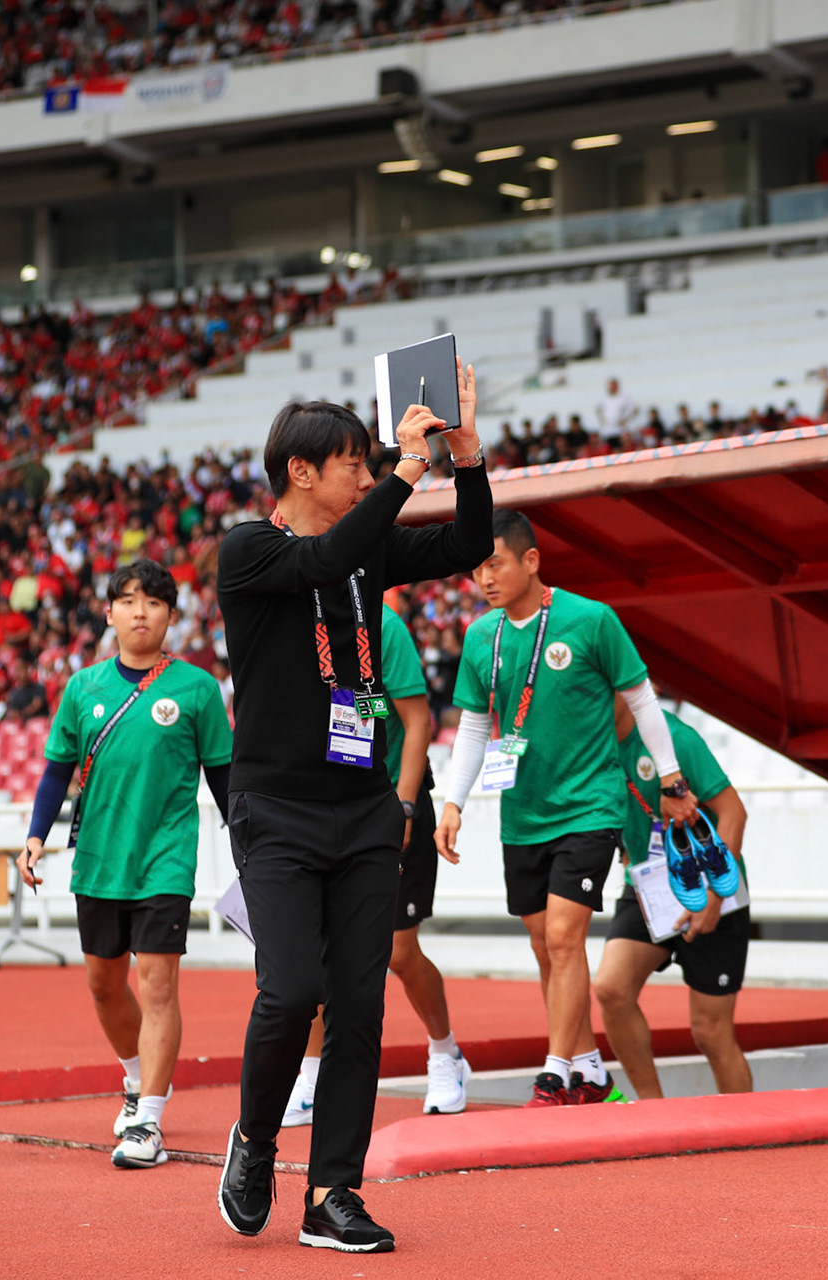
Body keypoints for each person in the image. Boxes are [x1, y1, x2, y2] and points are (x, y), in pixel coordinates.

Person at [215, 373, 491, 1256]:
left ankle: (333, 1192)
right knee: (292, 990)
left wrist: (465, 458)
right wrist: (408, 467)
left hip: (366, 807)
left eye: (374, 469)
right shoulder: (248, 549)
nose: (368, 481)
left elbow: (469, 543)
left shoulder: (368, 549)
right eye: (353, 468)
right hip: (277, 810)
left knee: (361, 1007)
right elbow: (323, 563)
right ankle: (257, 1140)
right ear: (300, 471)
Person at [436, 510, 695, 1107]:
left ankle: (555, 1074)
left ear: (531, 561)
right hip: (522, 812)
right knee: (545, 945)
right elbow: (473, 726)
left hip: (589, 805)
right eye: (476, 568)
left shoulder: (591, 620)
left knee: (561, 936)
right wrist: (452, 803)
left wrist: (672, 777)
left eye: (495, 563)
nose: (484, 578)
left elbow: (641, 700)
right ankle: (591, 1070)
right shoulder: (480, 637)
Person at [18, 559, 234, 1172]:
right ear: (109, 613)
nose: (141, 612)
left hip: (165, 860)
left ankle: (148, 1122)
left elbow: (224, 779)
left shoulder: (197, 689)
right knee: (104, 985)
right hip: (98, 860)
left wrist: (252, 850)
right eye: (129, 600)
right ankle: (137, 1080)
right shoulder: (82, 688)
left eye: (154, 602)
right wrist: (35, 838)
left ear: (171, 616)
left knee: (158, 985)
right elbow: (56, 770)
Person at [282, 600, 469, 1128]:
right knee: (314, 952)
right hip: (321, 806)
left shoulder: (383, 625)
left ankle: (445, 1053)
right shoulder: (289, 623)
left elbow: (416, 720)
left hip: (387, 800)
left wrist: (404, 805)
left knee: (399, 951)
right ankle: (313, 1075)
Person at [593, 698, 751, 1100]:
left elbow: (734, 812)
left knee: (711, 1033)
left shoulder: (675, 738)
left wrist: (715, 896)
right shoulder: (592, 742)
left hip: (713, 885)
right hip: (648, 886)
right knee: (611, 989)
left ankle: (746, 1128)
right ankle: (654, 1111)